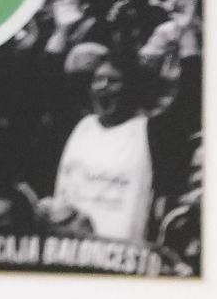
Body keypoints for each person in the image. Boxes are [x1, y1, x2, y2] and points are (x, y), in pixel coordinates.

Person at [48, 54, 153, 241]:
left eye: (113, 81)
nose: (103, 86)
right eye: (98, 80)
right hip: (67, 247)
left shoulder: (149, 132)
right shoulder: (82, 127)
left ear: (131, 88)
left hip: (117, 252)